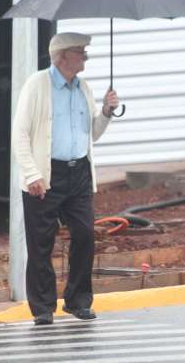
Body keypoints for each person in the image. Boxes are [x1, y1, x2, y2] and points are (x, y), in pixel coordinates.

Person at [12, 32, 119, 325]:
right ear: (62, 56)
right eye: (80, 52)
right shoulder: (37, 86)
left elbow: (91, 134)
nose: (85, 57)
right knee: (41, 242)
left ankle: (78, 301)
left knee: (84, 234)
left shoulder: (84, 87)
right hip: (46, 175)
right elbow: (20, 133)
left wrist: (107, 113)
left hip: (79, 172)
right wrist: (32, 173)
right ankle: (43, 308)